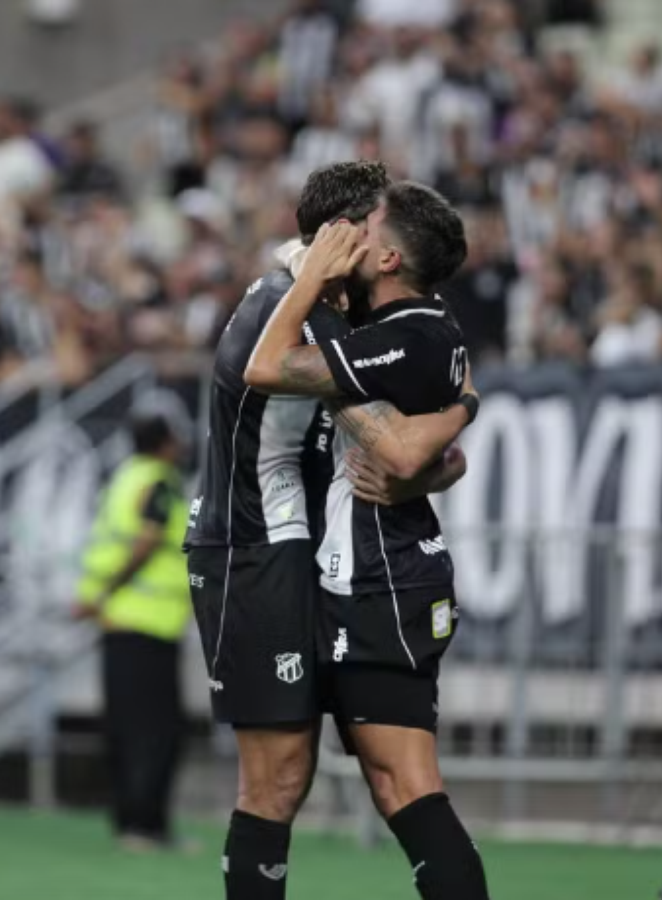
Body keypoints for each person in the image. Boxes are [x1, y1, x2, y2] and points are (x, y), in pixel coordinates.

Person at [185, 160, 473, 900]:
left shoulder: (362, 312)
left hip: (321, 554)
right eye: (372, 223)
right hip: (253, 547)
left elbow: (431, 444)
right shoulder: (295, 307)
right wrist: (450, 422)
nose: (381, 238)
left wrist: (430, 463)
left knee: (392, 777)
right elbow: (399, 437)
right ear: (343, 239)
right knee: (279, 778)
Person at [74, 412, 191, 852]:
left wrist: (97, 597)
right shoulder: (159, 481)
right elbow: (147, 540)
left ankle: (128, 822)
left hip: (116, 621)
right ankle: (148, 826)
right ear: (164, 444)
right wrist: (108, 590)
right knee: (158, 733)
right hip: (150, 623)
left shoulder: (122, 478)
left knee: (123, 728)